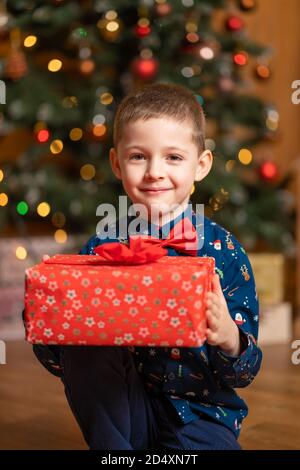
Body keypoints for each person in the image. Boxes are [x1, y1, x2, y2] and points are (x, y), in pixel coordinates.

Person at [32, 82, 262, 450]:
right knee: (85, 342)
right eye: (139, 156)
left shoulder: (226, 254)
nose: (155, 171)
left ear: (201, 166)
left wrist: (229, 339)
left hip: (201, 416)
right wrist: (52, 316)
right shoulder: (102, 248)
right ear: (116, 163)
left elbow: (245, 371)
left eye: (173, 157)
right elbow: (65, 364)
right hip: (123, 414)